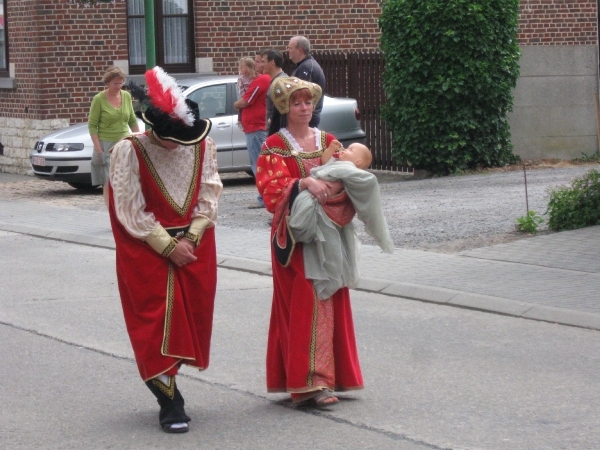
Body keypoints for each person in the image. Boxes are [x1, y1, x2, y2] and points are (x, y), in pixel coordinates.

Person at [109, 66, 222, 434]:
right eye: (172, 138)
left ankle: (172, 383)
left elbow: (210, 191)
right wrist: (167, 245)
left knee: (192, 318)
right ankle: (170, 401)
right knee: (153, 323)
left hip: (194, 244)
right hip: (147, 247)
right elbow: (128, 208)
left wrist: (190, 237)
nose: (179, 146)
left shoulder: (201, 144)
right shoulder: (129, 151)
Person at [255, 76, 364, 408]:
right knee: (307, 302)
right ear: (285, 107)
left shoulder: (328, 140)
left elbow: (347, 176)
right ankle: (308, 384)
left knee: (331, 298)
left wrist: (338, 186)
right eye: (297, 103)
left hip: (330, 233)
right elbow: (270, 191)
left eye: (308, 102)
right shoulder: (275, 144)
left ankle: (333, 376)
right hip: (297, 238)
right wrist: (302, 183)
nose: (304, 108)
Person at [289, 139, 394, 299]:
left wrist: (329, 177)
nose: (345, 149)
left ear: (357, 161)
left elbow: (368, 181)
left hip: (328, 215)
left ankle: (331, 280)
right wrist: (331, 148)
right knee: (311, 232)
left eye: (351, 150)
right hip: (314, 202)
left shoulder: (351, 171)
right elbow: (324, 162)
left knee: (331, 251)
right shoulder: (336, 163)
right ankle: (298, 227)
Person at [88, 66, 140, 208]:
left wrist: (138, 138)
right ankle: (112, 212)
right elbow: (92, 125)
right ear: (107, 83)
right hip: (106, 144)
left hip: (124, 142)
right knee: (109, 181)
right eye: (115, 83)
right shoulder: (99, 99)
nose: (118, 86)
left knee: (125, 179)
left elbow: (132, 120)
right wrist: (99, 150)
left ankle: (125, 211)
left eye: (121, 83)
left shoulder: (126, 96)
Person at [233, 63, 271, 209]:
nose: (258, 65)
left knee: (259, 165)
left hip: (256, 128)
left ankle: (264, 198)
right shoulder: (258, 80)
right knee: (258, 164)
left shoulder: (261, 80)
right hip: (253, 128)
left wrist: (236, 104)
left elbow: (245, 101)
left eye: (260, 61)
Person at [287, 36, 326, 127]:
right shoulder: (303, 66)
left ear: (299, 50)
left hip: (306, 118)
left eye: (290, 48)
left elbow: (301, 95)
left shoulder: (307, 68)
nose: (288, 50)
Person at [260, 49, 288, 136]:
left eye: (263, 61)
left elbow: (283, 111)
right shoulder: (277, 81)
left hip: (278, 133)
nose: (261, 65)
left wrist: (271, 120)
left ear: (272, 62)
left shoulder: (281, 83)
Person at [236, 57, 256, 130]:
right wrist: (244, 96)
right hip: (245, 96)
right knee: (241, 107)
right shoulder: (241, 78)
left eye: (242, 67)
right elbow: (240, 88)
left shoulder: (254, 77)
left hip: (252, 97)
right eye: (240, 67)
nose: (240, 69)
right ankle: (240, 120)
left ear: (249, 67)